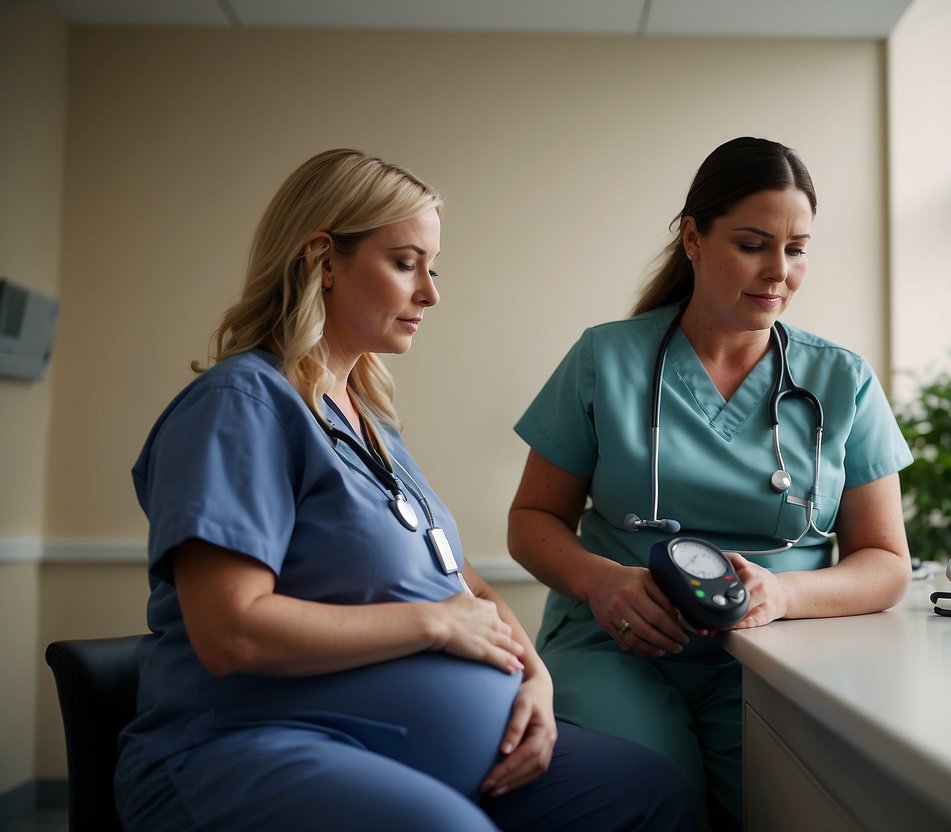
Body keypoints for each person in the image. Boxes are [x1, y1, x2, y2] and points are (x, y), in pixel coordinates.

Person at [113, 148, 697, 832]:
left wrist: (533, 676)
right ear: (323, 261)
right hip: (246, 746)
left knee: (649, 793)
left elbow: (463, 585)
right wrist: (432, 624)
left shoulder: (366, 420)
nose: (430, 293)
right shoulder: (241, 405)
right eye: (405, 263)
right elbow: (230, 630)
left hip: (414, 754)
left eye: (432, 267)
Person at [508, 136, 914, 831]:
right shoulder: (605, 358)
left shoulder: (839, 379)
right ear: (692, 238)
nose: (778, 271)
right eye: (753, 244)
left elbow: (885, 564)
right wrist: (599, 581)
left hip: (773, 652)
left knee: (775, 805)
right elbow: (532, 520)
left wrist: (782, 593)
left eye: (797, 248)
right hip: (616, 644)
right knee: (650, 790)